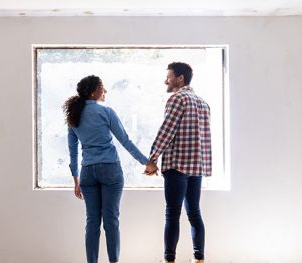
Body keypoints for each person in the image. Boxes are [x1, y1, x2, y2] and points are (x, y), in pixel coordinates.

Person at [65, 75, 149, 263]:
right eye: (103, 87)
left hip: (87, 172)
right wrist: (146, 162)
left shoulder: (73, 116)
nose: (106, 91)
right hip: (110, 169)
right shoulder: (107, 112)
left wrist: (76, 180)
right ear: (94, 91)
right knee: (111, 221)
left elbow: (72, 151)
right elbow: (125, 141)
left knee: (92, 222)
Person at [145, 62, 212, 263]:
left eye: (169, 76)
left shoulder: (177, 99)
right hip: (196, 167)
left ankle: (169, 260)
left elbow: (167, 130)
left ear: (180, 78)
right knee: (194, 213)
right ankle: (199, 259)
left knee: (172, 214)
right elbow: (205, 138)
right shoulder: (203, 103)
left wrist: (152, 159)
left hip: (177, 165)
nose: (165, 80)